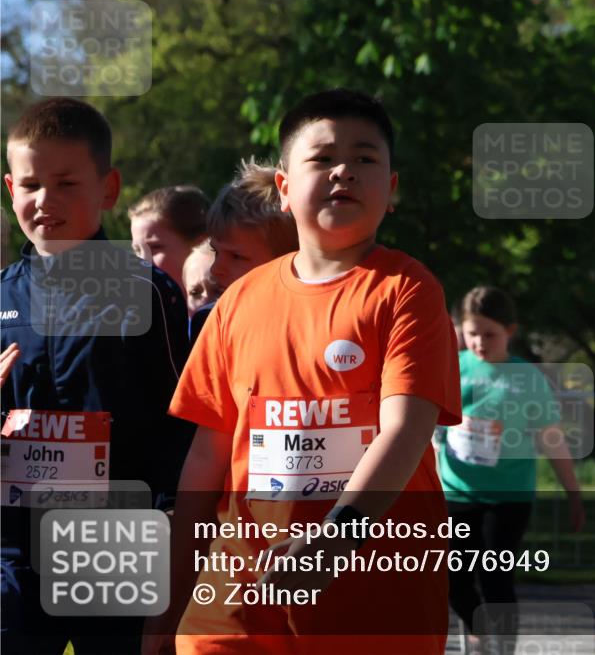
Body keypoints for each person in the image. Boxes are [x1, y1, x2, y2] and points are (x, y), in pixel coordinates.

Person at [145, 88, 462, 655]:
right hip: (240, 593)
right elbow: (206, 458)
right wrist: (166, 609)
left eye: (365, 159)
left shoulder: (407, 290)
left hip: (376, 595)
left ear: (390, 191)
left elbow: (405, 432)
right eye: (322, 158)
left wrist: (332, 541)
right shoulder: (238, 303)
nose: (344, 170)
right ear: (285, 189)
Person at [1, 98, 192, 654]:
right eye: (31, 184)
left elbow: (180, 422)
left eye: (66, 183)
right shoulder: (3, 296)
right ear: (10, 187)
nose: (45, 201)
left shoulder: (146, 292)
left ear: (108, 189)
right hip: (16, 551)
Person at [437, 285, 585, 652]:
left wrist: (574, 493)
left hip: (509, 495)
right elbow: (427, 429)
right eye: (472, 334)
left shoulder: (527, 378)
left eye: (490, 334)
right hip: (457, 491)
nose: (480, 342)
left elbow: (551, 437)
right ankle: (479, 630)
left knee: (495, 576)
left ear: (510, 332)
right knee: (451, 578)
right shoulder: (450, 368)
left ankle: (501, 647)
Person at [187, 159, 299, 342]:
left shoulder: (312, 324)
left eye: (236, 257)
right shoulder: (209, 323)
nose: (216, 270)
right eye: (216, 252)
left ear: (287, 259)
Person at [129, 185, 209, 289]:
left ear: (200, 246)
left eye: (155, 247)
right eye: (137, 250)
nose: (142, 261)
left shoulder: (228, 303)